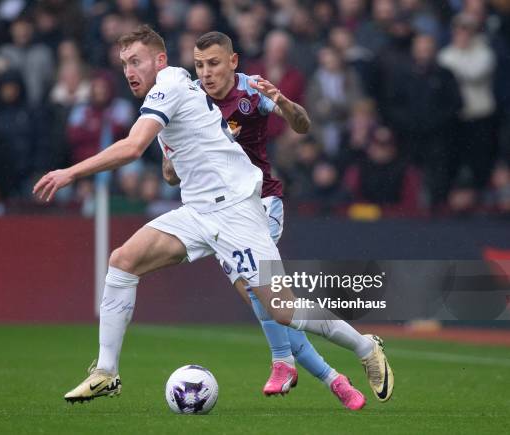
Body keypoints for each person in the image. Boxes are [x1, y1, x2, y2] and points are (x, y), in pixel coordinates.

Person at [33, 25, 393, 406]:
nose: (128, 70)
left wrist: (70, 172)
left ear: (160, 60)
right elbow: (175, 166)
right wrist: (175, 164)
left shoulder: (170, 85)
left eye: (136, 61)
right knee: (123, 261)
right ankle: (106, 372)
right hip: (198, 212)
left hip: (238, 210)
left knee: (282, 310)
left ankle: (364, 346)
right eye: (124, 63)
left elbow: (133, 147)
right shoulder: (174, 95)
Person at [162, 31, 365, 409]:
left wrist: (284, 103)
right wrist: (172, 157)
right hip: (217, 214)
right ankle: (336, 380)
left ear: (233, 61)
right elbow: (170, 175)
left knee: (263, 294)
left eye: (214, 63)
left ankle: (284, 363)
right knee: (272, 306)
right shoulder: (186, 101)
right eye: (200, 65)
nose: (206, 73)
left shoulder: (252, 90)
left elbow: (303, 126)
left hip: (260, 202)